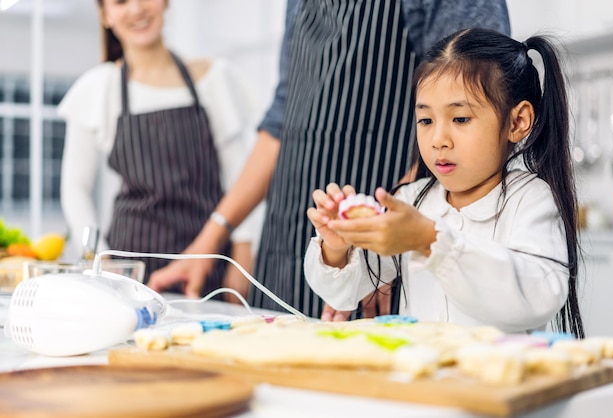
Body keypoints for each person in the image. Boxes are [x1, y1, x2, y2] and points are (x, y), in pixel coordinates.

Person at [148, 0, 511, 319]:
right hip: (287, 241)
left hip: (379, 252)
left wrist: (380, 259)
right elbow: (282, 118)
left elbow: (474, 103)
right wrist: (206, 244)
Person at [304, 27, 585, 337]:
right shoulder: (413, 200)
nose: (438, 139)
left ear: (518, 122)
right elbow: (346, 291)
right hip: (422, 380)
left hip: (496, 381)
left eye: (460, 119)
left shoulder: (530, 199)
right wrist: (337, 248)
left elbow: (539, 296)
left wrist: (431, 240)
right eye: (426, 120)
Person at [59, 0, 263, 302]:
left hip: (210, 267)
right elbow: (75, 188)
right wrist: (101, 261)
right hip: (130, 275)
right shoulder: (98, 88)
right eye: (120, 2)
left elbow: (241, 178)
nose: (136, 9)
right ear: (105, 14)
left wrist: (243, 256)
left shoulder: (212, 79)